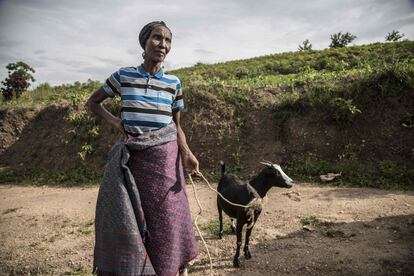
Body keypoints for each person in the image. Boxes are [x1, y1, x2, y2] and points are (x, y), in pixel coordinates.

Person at [86, 21, 199, 276]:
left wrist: (187, 153)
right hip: (133, 163)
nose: (163, 45)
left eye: (168, 40)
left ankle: (170, 268)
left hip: (165, 161)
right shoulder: (124, 76)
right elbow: (93, 102)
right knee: (131, 220)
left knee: (167, 220)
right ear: (144, 43)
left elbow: (176, 125)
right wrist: (116, 122)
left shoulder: (173, 83)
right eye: (157, 38)